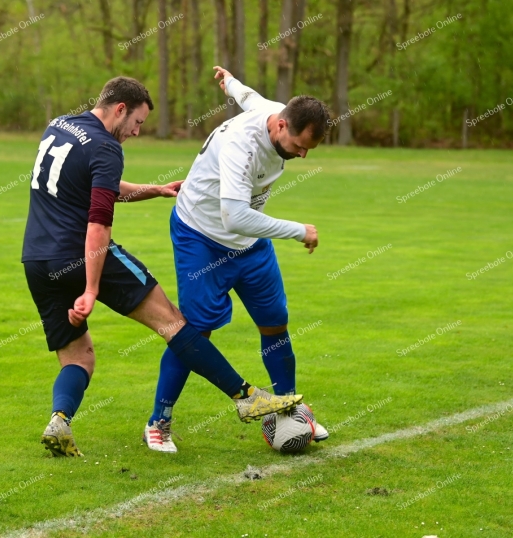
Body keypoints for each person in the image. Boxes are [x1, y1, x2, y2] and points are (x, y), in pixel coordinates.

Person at [22, 76, 302, 457]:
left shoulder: (59, 125)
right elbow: (99, 224)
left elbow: (97, 185)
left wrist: (153, 190)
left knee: (79, 356)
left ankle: (60, 420)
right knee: (174, 322)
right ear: (120, 108)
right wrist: (90, 288)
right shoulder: (106, 147)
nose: (137, 132)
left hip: (37, 261)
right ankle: (246, 397)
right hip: (81, 255)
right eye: (137, 122)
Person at [142, 66, 330, 453]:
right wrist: (299, 230)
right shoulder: (240, 148)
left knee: (275, 323)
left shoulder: (276, 112)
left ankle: (290, 410)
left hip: (251, 243)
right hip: (202, 237)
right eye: (299, 146)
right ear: (280, 126)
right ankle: (158, 421)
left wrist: (230, 83)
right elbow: (235, 215)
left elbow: (250, 98)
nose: (303, 154)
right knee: (193, 332)